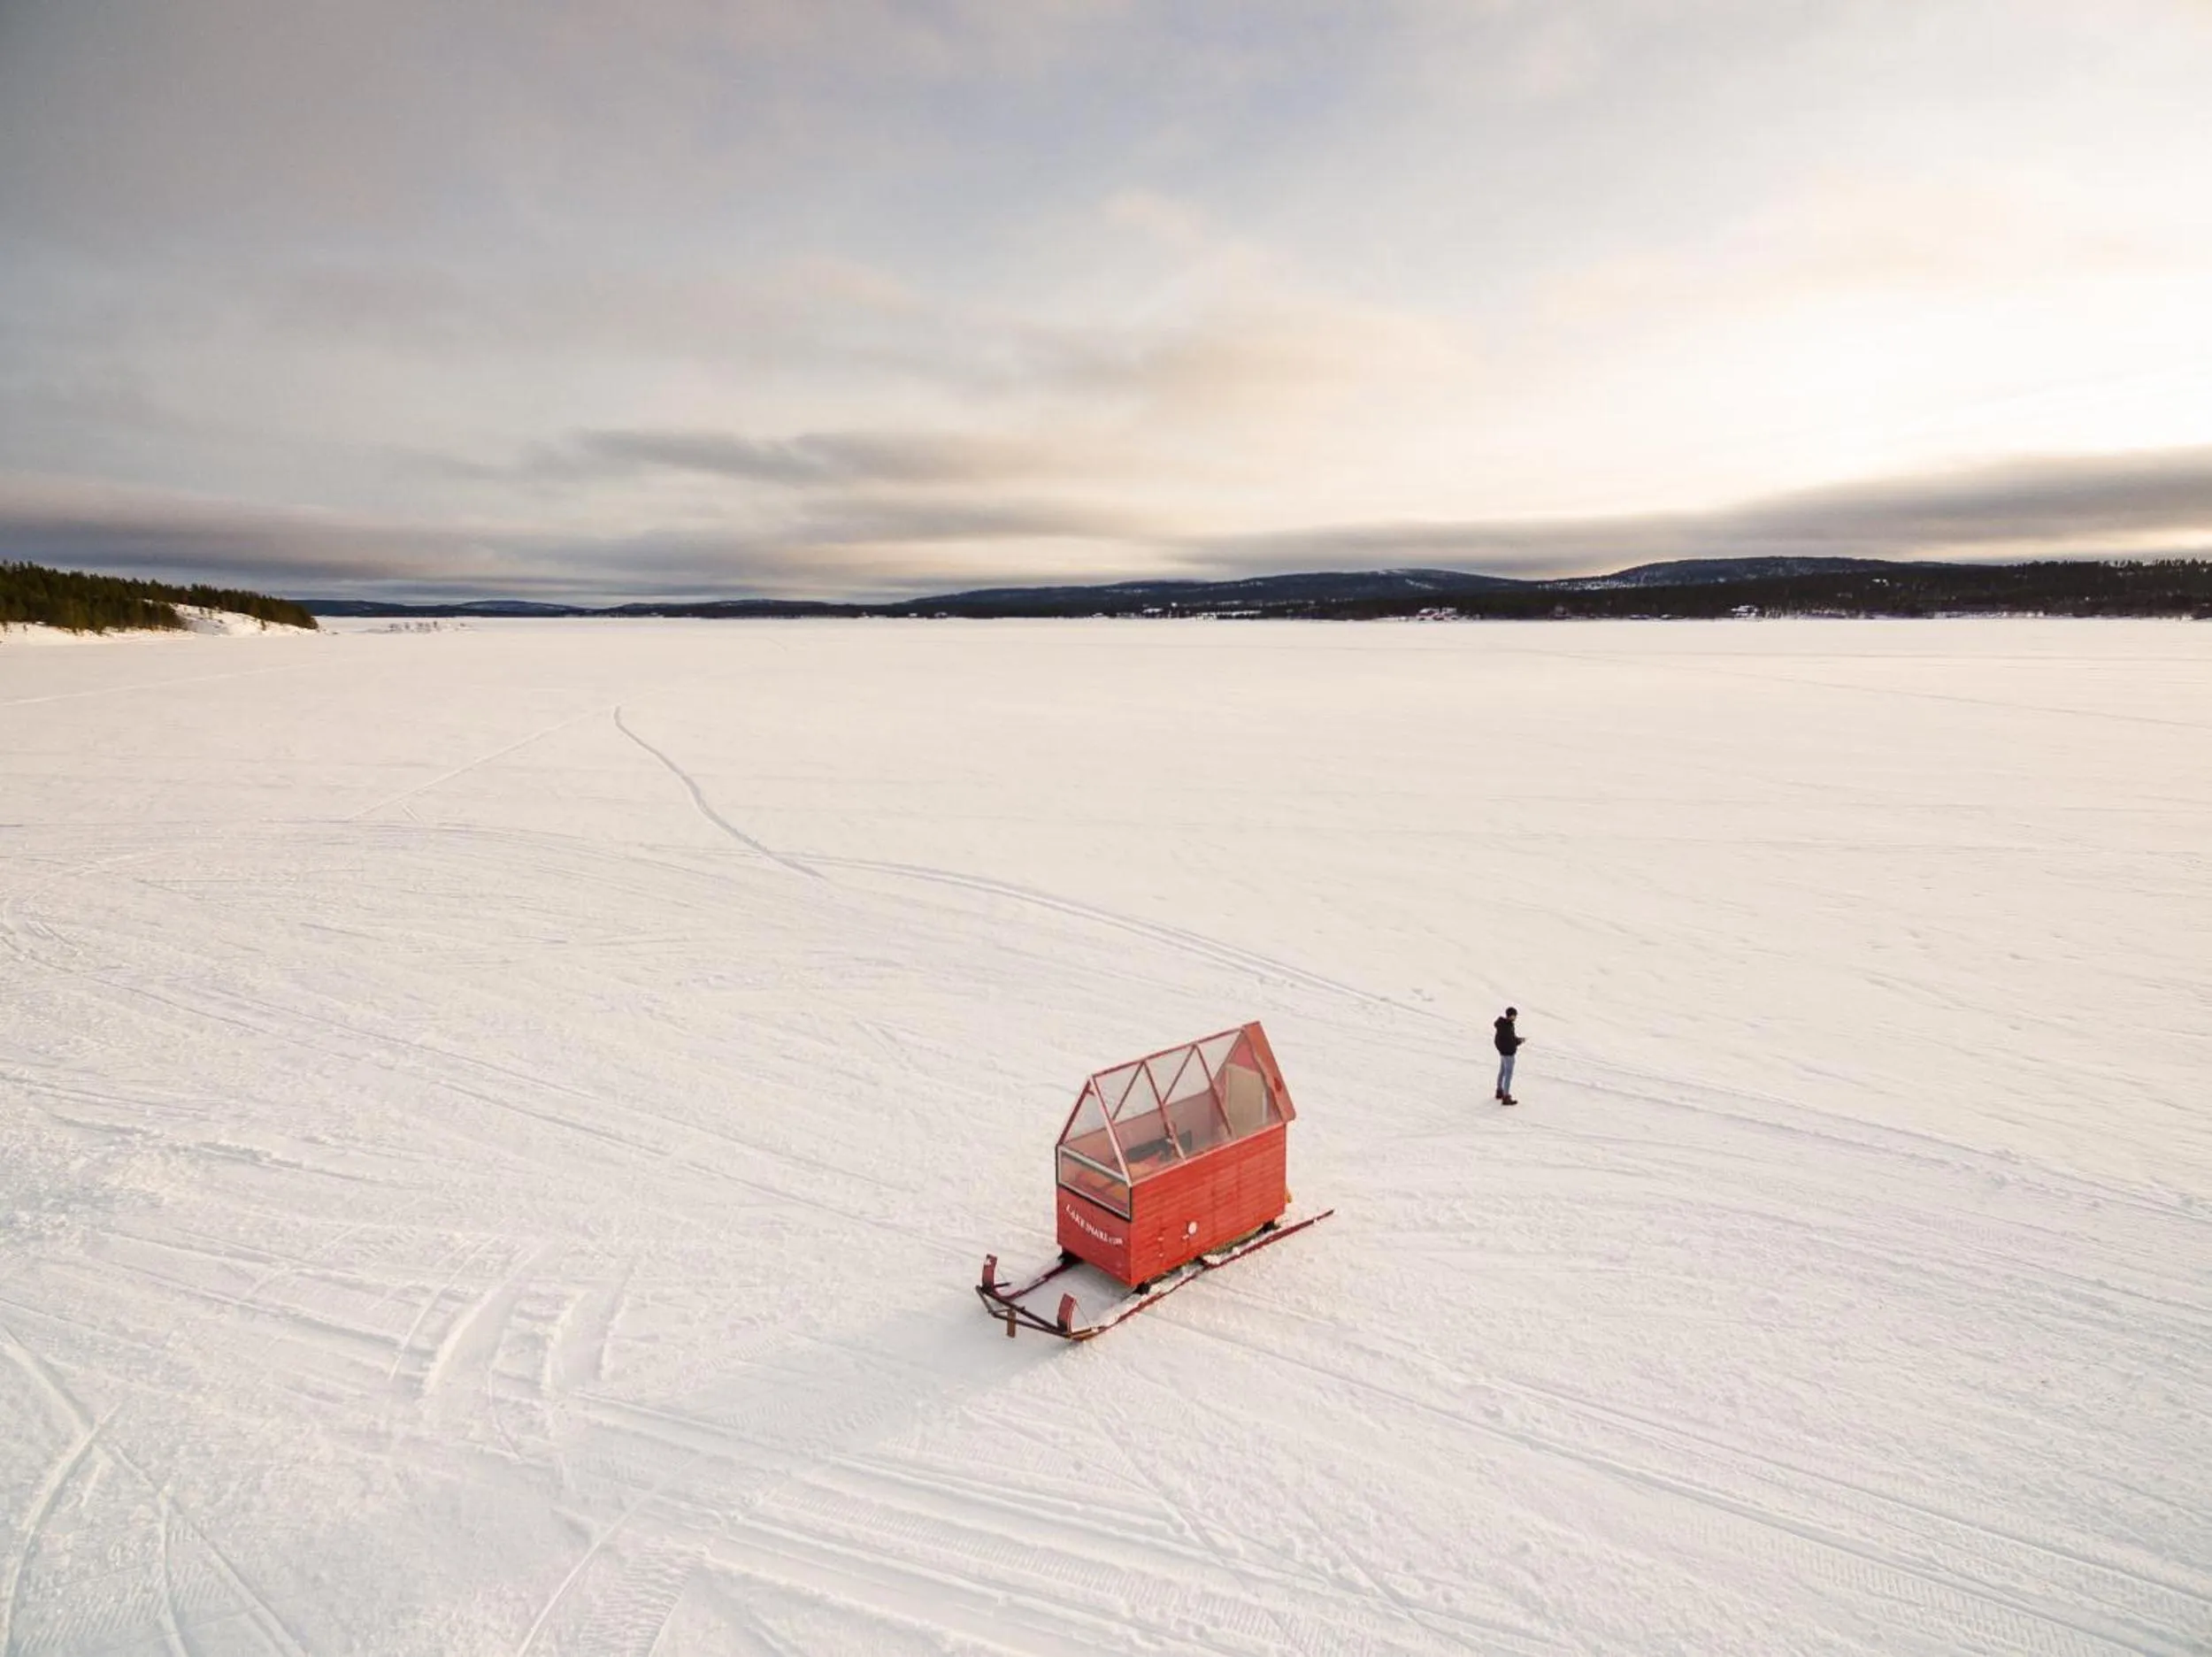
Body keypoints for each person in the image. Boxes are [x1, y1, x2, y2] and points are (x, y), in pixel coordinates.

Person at [1493, 1007, 1525, 1105]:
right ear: (1511, 1015)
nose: (1515, 1017)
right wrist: (1518, 1042)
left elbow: (1504, 1039)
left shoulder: (1502, 1025)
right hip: (1508, 1054)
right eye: (1515, 1015)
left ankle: (1499, 1091)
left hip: (1503, 1053)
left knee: (1502, 1071)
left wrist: (1517, 1040)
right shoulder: (1507, 1027)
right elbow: (1511, 1041)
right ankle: (1506, 1096)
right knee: (1508, 1074)